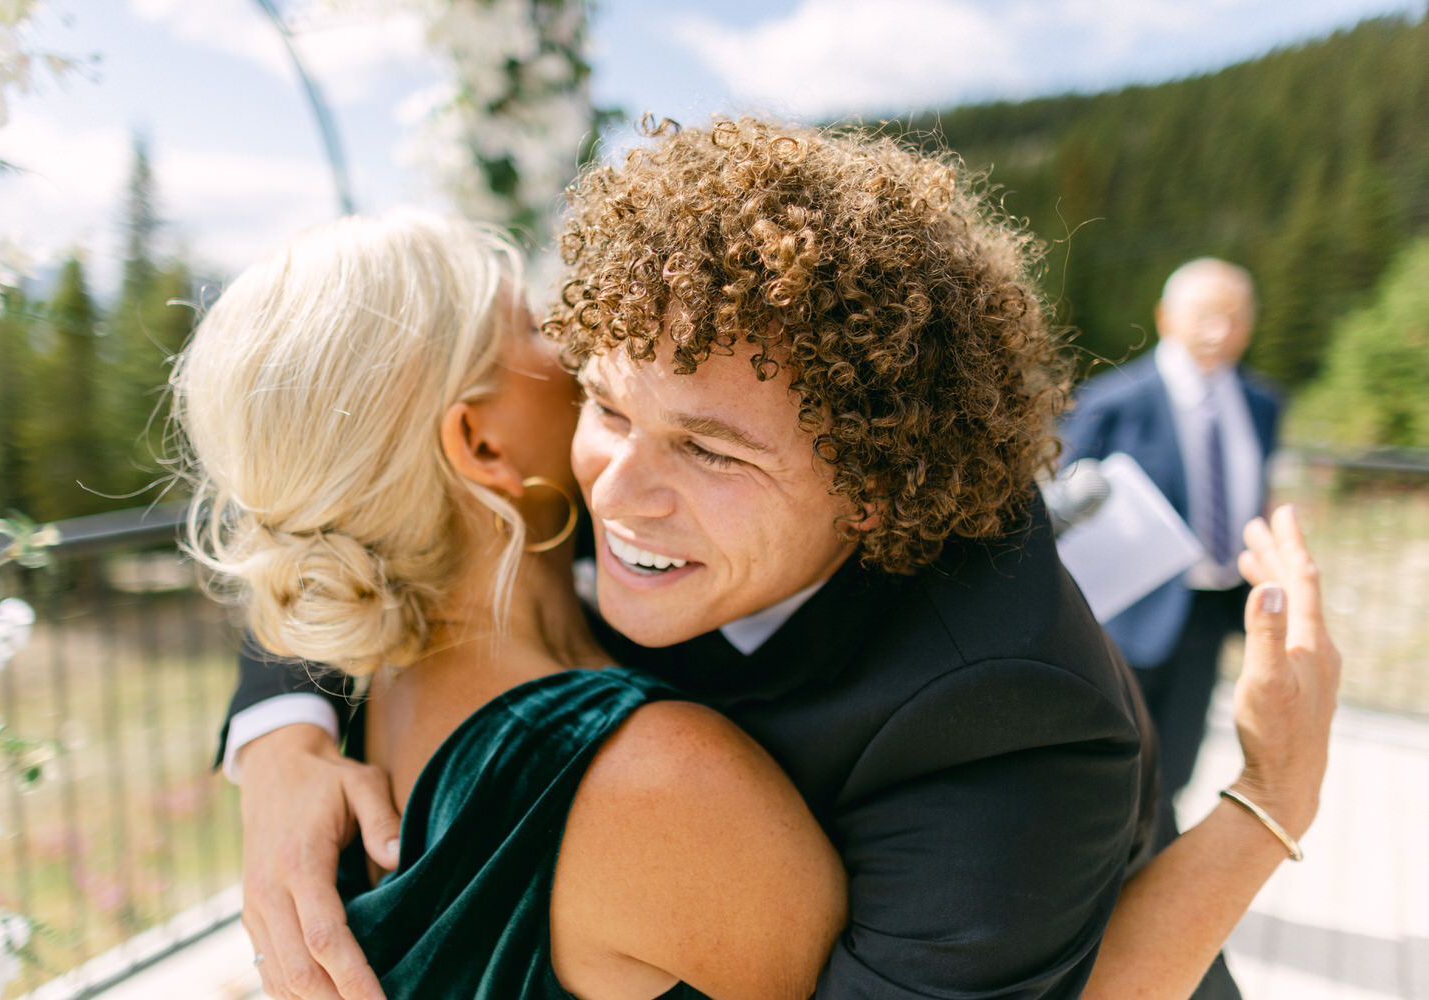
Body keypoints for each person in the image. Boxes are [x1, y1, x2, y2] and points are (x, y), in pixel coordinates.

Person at [218, 120, 1336, 1000]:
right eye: (600, 395)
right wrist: (278, 742)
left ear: (873, 477)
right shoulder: (536, 517)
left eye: (707, 449)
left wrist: (1270, 801)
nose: (618, 488)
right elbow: (342, 502)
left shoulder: (998, 705)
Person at [173, 209, 850, 1000]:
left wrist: (275, 746)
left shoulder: (357, 699)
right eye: (532, 324)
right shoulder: (661, 782)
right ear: (483, 447)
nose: (580, 340)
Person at [1062, 258, 1282, 800]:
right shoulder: (1112, 402)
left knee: (1178, 768)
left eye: (1236, 318)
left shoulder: (1261, 404)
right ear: (1165, 317)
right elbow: (1062, 509)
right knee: (1112, 765)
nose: (1221, 332)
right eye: (1206, 315)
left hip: (1211, 611)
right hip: (1126, 613)